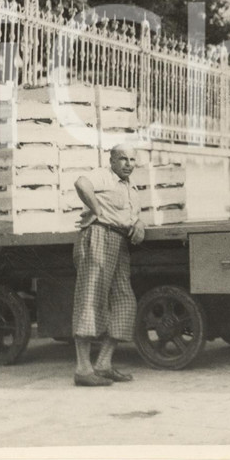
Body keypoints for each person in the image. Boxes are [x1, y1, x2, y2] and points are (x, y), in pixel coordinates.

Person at [71, 143, 146, 387]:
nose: (128, 164)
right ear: (112, 161)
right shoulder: (104, 175)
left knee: (125, 301)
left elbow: (132, 217)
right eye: (122, 159)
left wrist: (139, 225)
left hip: (119, 242)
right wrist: (96, 208)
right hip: (98, 235)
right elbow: (81, 183)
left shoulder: (132, 189)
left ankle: (103, 364)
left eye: (132, 160)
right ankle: (83, 369)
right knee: (90, 297)